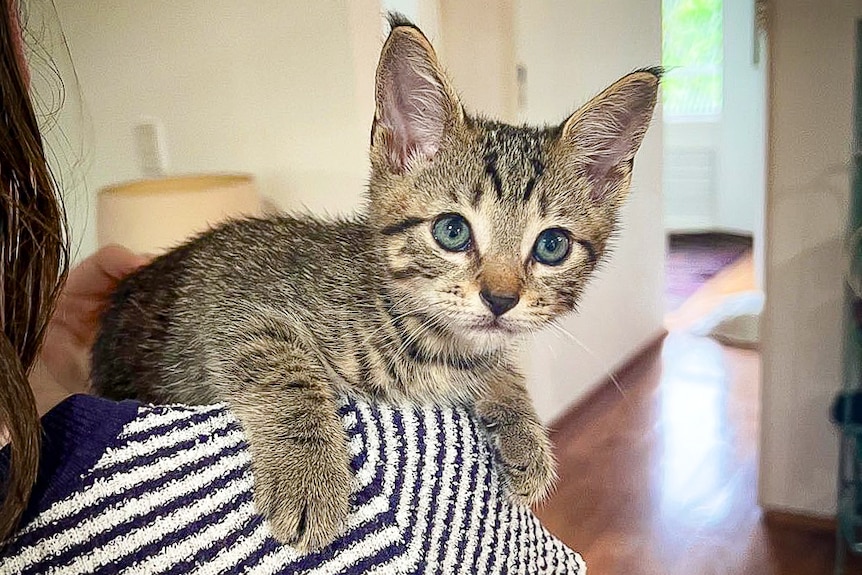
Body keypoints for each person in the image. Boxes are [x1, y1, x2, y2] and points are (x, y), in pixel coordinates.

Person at [0, 1, 584, 573]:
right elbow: (250, 333)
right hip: (155, 364)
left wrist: (503, 392)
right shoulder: (403, 504)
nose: (503, 287)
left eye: (549, 247)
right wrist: (299, 429)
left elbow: (469, 356)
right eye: (455, 230)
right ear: (401, 150)